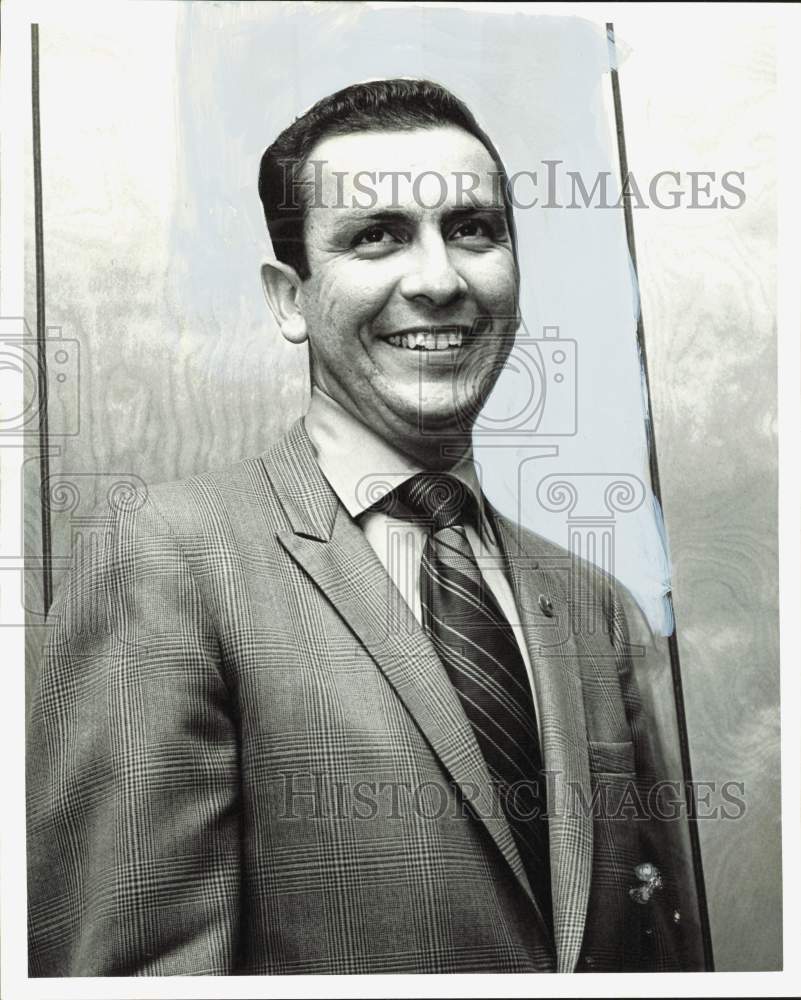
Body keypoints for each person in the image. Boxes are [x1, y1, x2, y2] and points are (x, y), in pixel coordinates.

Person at [27, 78, 701, 976]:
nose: (437, 278)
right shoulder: (163, 559)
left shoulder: (599, 609)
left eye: (472, 229)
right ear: (287, 298)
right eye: (375, 236)